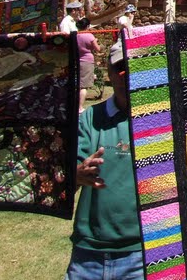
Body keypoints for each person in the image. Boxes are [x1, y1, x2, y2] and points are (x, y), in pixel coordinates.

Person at [66, 39, 143, 279]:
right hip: (89, 253)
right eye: (119, 68)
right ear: (109, 73)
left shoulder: (161, 120)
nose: (126, 75)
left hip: (143, 252)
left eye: (133, 67)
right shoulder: (91, 119)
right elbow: (63, 178)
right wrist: (76, 174)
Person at [75, 17, 101, 114]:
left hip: (77, 60)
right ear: (87, 26)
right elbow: (98, 49)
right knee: (83, 86)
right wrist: (96, 41)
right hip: (87, 61)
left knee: (78, 85)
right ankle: (80, 107)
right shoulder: (89, 36)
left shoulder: (75, 35)